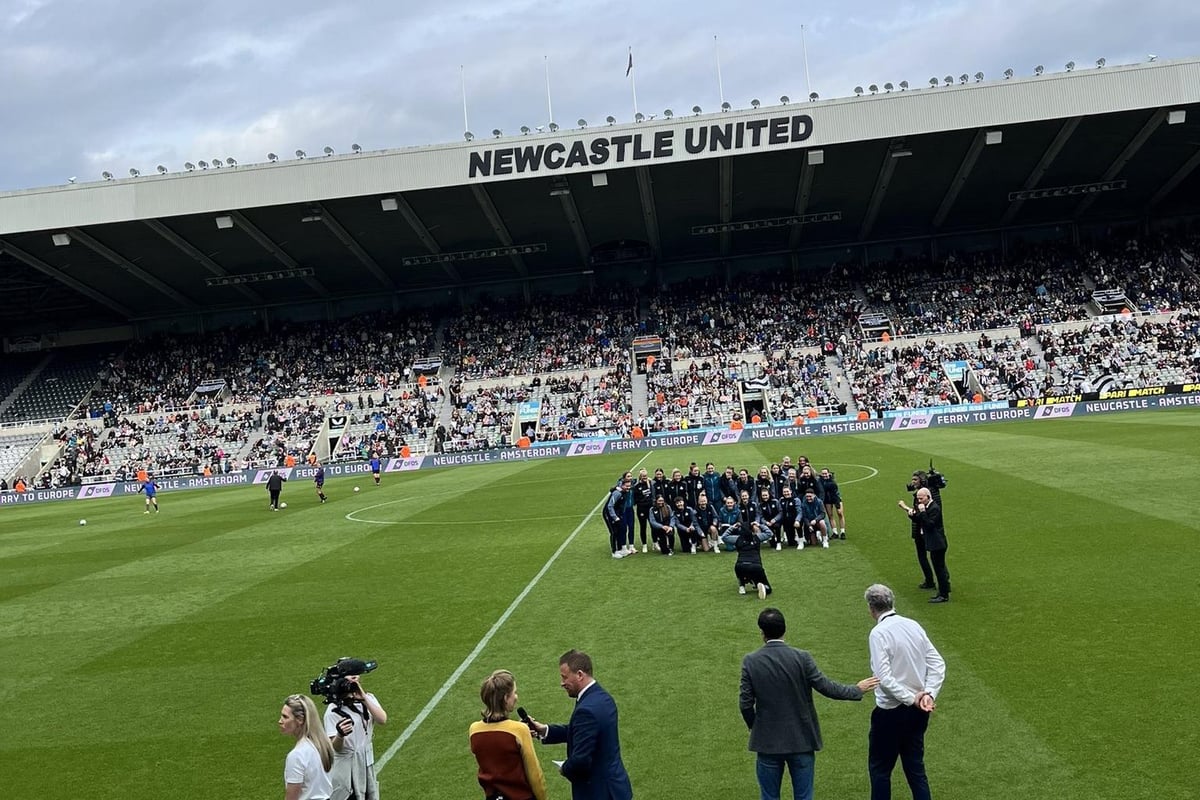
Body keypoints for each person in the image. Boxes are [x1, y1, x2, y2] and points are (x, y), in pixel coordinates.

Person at [740, 608, 878, 800]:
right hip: (801, 740)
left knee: (769, 797)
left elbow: (745, 705)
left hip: (767, 744)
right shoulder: (801, 658)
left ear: (762, 632)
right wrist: (856, 689)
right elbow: (827, 687)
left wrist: (757, 727)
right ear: (784, 630)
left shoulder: (750, 661)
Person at [863, 584, 946, 800]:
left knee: (880, 770)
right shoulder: (913, 625)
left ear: (871, 609)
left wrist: (913, 698)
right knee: (915, 769)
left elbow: (883, 678)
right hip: (918, 712)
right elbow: (938, 663)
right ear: (892, 603)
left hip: (890, 712)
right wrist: (928, 694)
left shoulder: (878, 634)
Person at [527, 650, 633, 800]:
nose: (562, 683)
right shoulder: (604, 697)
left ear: (580, 675)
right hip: (615, 788)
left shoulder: (586, 710)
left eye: (564, 677)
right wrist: (545, 730)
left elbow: (581, 760)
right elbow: (584, 732)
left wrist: (565, 768)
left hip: (597, 792)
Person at [469, 669, 548, 800]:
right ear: (505, 698)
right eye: (514, 693)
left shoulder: (474, 730)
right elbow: (535, 775)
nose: (516, 697)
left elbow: (494, 754)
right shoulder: (519, 730)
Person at [324, 673, 389, 800]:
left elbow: (382, 719)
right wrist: (340, 735)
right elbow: (335, 748)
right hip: (346, 765)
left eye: (356, 674)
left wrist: (363, 697)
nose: (355, 677)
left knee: (369, 794)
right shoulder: (333, 710)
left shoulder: (368, 698)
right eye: (350, 675)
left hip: (365, 759)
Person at [898, 489, 950, 603]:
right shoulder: (928, 507)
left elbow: (929, 524)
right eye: (918, 499)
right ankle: (944, 591)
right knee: (938, 568)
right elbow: (920, 520)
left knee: (939, 569)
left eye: (921, 498)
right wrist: (911, 514)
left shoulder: (934, 508)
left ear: (928, 496)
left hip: (937, 543)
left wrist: (922, 512)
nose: (919, 501)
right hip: (935, 543)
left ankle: (944, 594)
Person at [280, 693, 334, 800]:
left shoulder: (296, 755)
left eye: (285, 717)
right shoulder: (322, 745)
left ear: (300, 720)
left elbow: (291, 798)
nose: (280, 721)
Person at [721, 519, 773, 599]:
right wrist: (759, 525)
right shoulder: (757, 537)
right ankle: (762, 586)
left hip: (740, 566)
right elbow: (769, 533)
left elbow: (724, 537)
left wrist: (732, 527)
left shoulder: (737, 538)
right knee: (768, 589)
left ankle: (742, 586)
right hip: (756, 566)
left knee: (741, 570)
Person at [604, 478, 632, 559]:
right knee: (614, 532)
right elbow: (610, 506)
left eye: (629, 486)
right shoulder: (617, 493)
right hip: (609, 514)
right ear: (622, 485)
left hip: (617, 514)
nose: (628, 488)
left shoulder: (624, 492)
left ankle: (620, 549)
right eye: (626, 486)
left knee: (620, 530)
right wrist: (615, 517)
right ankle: (614, 551)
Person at [632, 469, 655, 553]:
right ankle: (644, 545)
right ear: (640, 477)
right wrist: (642, 500)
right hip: (641, 509)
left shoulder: (651, 483)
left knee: (653, 526)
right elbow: (635, 499)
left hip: (650, 509)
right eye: (643, 476)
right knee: (643, 527)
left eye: (646, 476)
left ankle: (655, 543)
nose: (645, 477)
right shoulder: (637, 486)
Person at [818, 468, 846, 539]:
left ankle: (842, 532)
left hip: (836, 498)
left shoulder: (832, 480)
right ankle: (835, 532)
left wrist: (837, 504)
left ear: (828, 473)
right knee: (830, 515)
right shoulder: (820, 481)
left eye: (825, 473)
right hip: (827, 500)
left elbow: (835, 490)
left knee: (840, 513)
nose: (824, 475)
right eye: (823, 474)